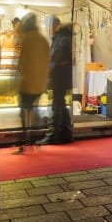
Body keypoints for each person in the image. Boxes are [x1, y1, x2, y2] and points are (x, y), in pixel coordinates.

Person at [13, 13, 50, 154]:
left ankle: (24, 142)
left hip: (28, 82)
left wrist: (21, 75)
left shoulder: (27, 39)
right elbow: (48, 59)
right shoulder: (42, 39)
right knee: (34, 110)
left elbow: (22, 62)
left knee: (24, 111)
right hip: (40, 83)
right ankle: (36, 140)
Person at [37, 17, 73, 145]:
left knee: (56, 106)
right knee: (61, 105)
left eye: (48, 26)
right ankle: (66, 134)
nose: (48, 29)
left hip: (59, 78)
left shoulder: (62, 39)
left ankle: (53, 135)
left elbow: (59, 59)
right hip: (61, 77)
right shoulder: (62, 37)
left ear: (54, 26)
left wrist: (49, 68)